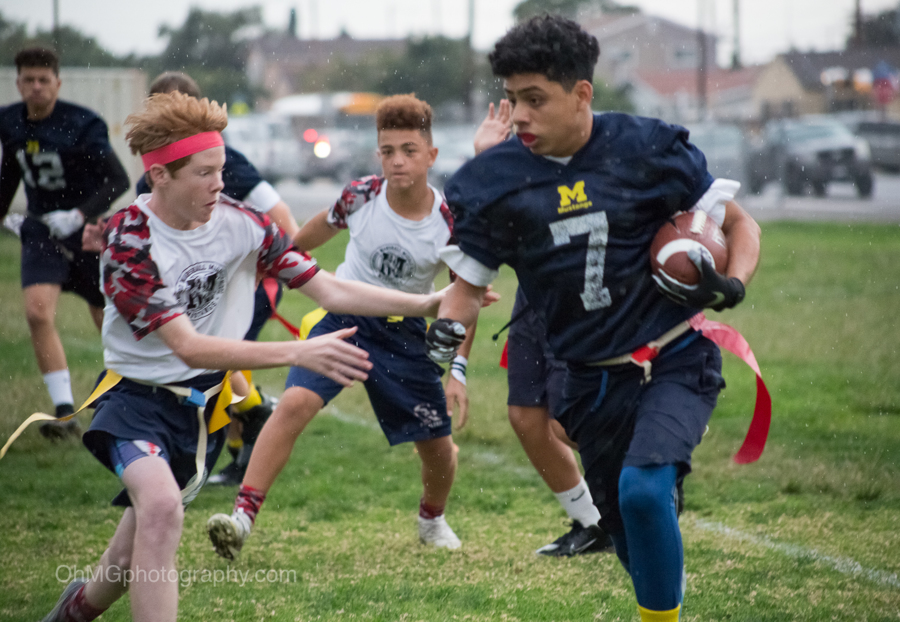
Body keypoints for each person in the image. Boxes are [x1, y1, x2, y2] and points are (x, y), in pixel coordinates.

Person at [41, 90, 447, 622]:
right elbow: (187, 345)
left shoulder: (242, 224)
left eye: (222, 169)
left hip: (196, 412)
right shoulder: (129, 242)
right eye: (204, 174)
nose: (220, 184)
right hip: (133, 402)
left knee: (122, 561)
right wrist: (300, 351)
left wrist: (428, 302)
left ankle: (69, 611)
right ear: (160, 176)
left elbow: (330, 289)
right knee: (161, 510)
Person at [428, 16, 761, 621]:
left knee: (642, 490)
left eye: (535, 99)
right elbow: (467, 290)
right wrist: (445, 348)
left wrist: (733, 281)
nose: (519, 115)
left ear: (582, 93)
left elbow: (740, 224)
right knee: (628, 527)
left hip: (673, 355)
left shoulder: (646, 146)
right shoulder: (493, 181)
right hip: (585, 378)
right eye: (511, 99)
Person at [207, 94, 481, 561]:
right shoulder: (360, 196)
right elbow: (307, 236)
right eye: (388, 150)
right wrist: (273, 265)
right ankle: (242, 519)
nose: (397, 161)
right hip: (345, 323)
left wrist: (457, 369)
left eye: (409, 151)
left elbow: (465, 298)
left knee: (439, 450)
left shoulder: (449, 223)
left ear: (431, 156)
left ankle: (432, 519)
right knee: (292, 405)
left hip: (404, 336)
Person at [140, 71, 300, 486]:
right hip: (192, 288)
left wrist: (254, 269)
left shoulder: (220, 161)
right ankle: (243, 433)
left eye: (163, 112)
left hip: (242, 287)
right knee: (206, 368)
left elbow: (284, 223)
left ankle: (251, 422)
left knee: (215, 365)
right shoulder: (159, 170)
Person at [0, 47, 129, 440]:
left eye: (44, 80)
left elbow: (117, 180)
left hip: (86, 231)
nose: (36, 87)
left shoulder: (82, 123)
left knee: (107, 319)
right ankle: (63, 411)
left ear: (57, 82)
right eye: (29, 80)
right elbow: (10, 174)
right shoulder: (9, 122)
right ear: (18, 82)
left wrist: (79, 214)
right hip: (41, 229)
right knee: (38, 313)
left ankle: (126, 395)